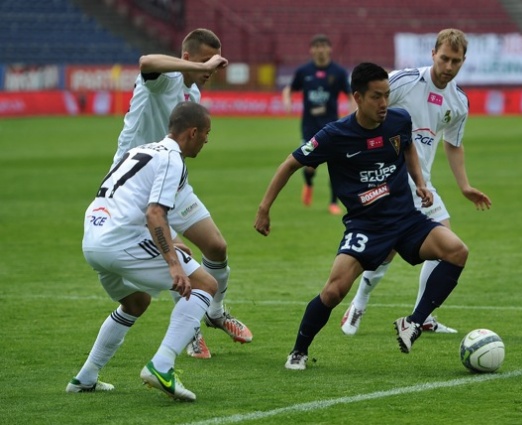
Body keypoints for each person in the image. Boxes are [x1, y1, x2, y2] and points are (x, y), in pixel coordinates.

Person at [255, 62, 469, 370]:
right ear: (358, 97)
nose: (384, 104)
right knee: (333, 291)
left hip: (406, 220)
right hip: (366, 227)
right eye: (376, 97)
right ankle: (299, 351)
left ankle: (413, 323)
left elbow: (407, 148)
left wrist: (420, 184)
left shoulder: (399, 120)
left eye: (386, 95)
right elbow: (290, 164)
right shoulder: (334, 135)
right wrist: (264, 208)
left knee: (457, 251)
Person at [340, 28, 491, 336]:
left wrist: (464, 186)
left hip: (422, 183)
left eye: (456, 61)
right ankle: (359, 303)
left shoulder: (458, 102)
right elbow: (363, 113)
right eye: (444, 58)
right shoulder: (403, 82)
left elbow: (453, 143)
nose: (449, 66)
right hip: (389, 181)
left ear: (464, 61)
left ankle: (421, 315)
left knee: (445, 246)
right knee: (387, 250)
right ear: (433, 54)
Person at [114, 28, 252, 359]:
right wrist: (191, 68)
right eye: (205, 62)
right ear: (186, 59)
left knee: (217, 247)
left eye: (214, 64)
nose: (210, 71)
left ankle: (216, 312)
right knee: (177, 252)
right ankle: (190, 334)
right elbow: (146, 61)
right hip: (136, 185)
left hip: (172, 180)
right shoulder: (165, 80)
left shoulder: (193, 94)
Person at [67, 102, 216, 401]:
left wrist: (170, 241)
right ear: (193, 132)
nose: (207, 141)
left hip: (93, 238)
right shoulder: (173, 160)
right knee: (205, 285)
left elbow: (129, 200)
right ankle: (162, 365)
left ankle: (85, 377)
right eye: (206, 134)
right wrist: (173, 263)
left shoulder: (140, 150)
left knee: (136, 302)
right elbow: (154, 214)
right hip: (121, 241)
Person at [282, 33, 355, 215]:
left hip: (332, 127)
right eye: (317, 46)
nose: (320, 50)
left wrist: (351, 114)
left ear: (329, 49)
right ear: (311, 50)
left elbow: (350, 94)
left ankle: (333, 203)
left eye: (323, 46)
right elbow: (289, 88)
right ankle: (308, 183)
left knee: (336, 164)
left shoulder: (338, 72)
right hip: (309, 127)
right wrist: (287, 100)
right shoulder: (304, 72)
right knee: (309, 167)